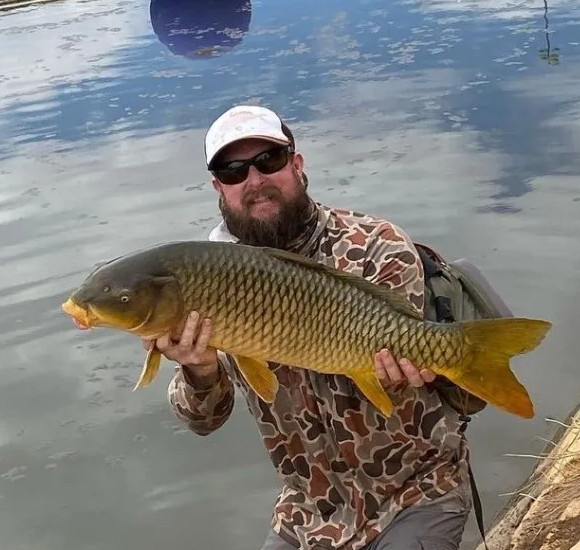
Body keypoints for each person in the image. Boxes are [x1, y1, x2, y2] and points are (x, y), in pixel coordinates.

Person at [142, 105, 478, 550]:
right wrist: (200, 370)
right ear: (219, 188)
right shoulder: (213, 277)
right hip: (308, 514)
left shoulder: (375, 245)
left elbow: (398, 375)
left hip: (416, 491)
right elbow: (201, 420)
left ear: (297, 165)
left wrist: (405, 373)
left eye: (269, 160)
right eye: (233, 171)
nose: (255, 180)